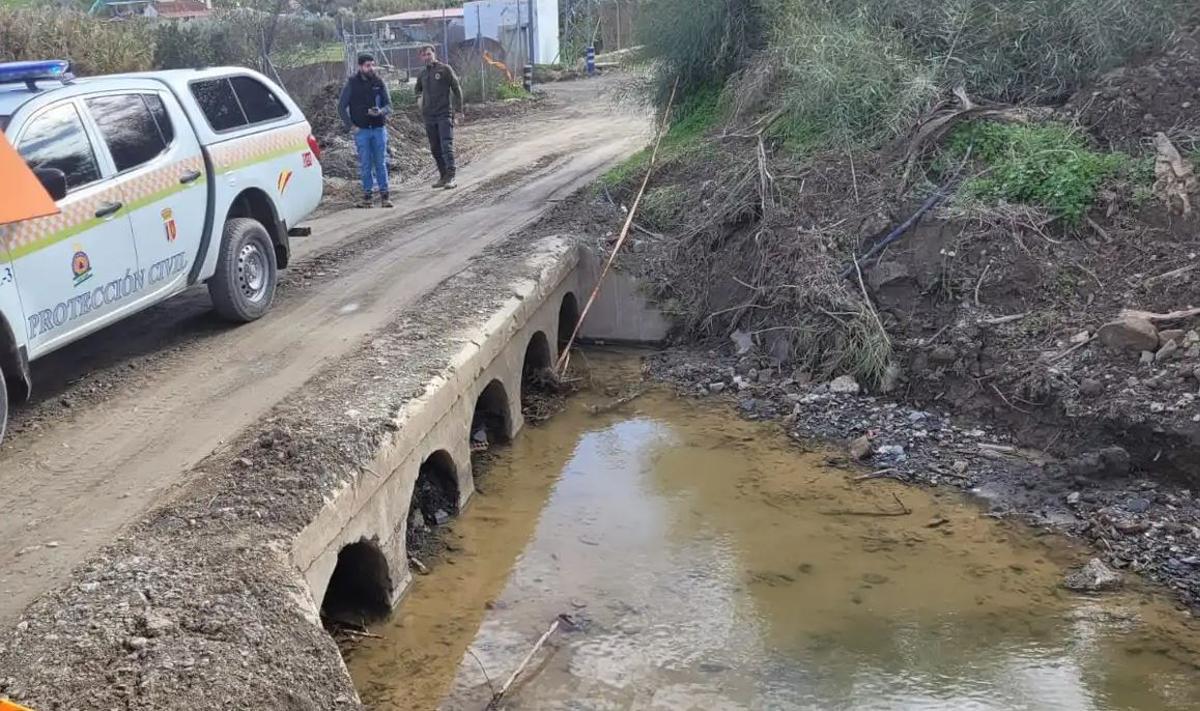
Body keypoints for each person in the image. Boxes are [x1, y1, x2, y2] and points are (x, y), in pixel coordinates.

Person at [338, 53, 393, 208]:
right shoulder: (352, 84)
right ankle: (367, 197)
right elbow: (341, 107)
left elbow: (389, 106)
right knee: (365, 164)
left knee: (381, 162)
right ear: (360, 67)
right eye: (368, 65)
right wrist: (351, 126)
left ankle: (385, 196)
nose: (371, 68)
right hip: (362, 130)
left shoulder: (379, 82)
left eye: (372, 65)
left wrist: (381, 111)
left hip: (378, 129)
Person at [414, 44, 464, 189]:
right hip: (429, 116)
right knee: (435, 148)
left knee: (446, 145)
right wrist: (419, 98)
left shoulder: (444, 69)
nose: (427, 57)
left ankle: (451, 177)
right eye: (424, 55)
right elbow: (417, 89)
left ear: (434, 54)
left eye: (429, 54)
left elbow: (456, 88)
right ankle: (443, 176)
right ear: (421, 57)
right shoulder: (422, 73)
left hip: (444, 113)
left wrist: (459, 110)